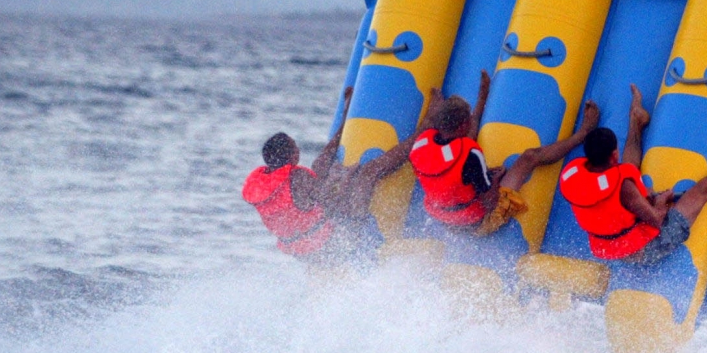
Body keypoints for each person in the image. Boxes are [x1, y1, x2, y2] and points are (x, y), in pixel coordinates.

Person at [558, 84, 707, 264]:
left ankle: (636, 120)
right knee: (702, 190)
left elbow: (616, 194)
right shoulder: (625, 188)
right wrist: (661, 201)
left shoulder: (575, 175)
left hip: (610, 248)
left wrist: (644, 198)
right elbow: (656, 220)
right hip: (644, 251)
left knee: (626, 172)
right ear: (614, 154)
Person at [410, 71, 600, 236]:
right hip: (477, 222)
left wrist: (482, 97)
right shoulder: (470, 154)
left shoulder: (422, 143)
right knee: (530, 157)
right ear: (462, 126)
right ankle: (583, 133)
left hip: (445, 220)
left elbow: (452, 164)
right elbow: (489, 201)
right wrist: (494, 179)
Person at [242, 86, 413, 260]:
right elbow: (333, 204)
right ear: (292, 155)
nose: (298, 149)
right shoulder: (298, 177)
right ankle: (418, 135)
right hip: (329, 246)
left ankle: (346, 118)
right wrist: (346, 176)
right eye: (296, 146)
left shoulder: (264, 183)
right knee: (366, 174)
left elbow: (305, 201)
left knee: (320, 165)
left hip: (299, 251)